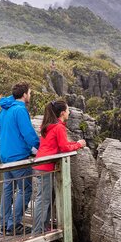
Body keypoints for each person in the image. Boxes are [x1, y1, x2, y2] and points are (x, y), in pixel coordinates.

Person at [32, 100, 86, 234]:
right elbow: (64, 147)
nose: (69, 112)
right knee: (43, 200)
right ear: (62, 113)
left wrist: (75, 143)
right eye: (68, 110)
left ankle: (43, 227)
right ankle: (38, 231)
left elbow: (61, 144)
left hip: (41, 164)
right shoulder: (59, 127)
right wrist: (78, 145)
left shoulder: (49, 125)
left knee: (46, 199)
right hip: (46, 166)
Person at [0, 82, 40, 236]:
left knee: (7, 190)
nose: (30, 95)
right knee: (25, 189)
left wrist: (10, 143)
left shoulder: (5, 109)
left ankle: (4, 224)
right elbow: (28, 134)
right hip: (19, 158)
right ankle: (14, 225)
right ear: (24, 94)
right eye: (30, 93)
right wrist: (39, 147)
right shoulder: (20, 110)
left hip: (5, 157)